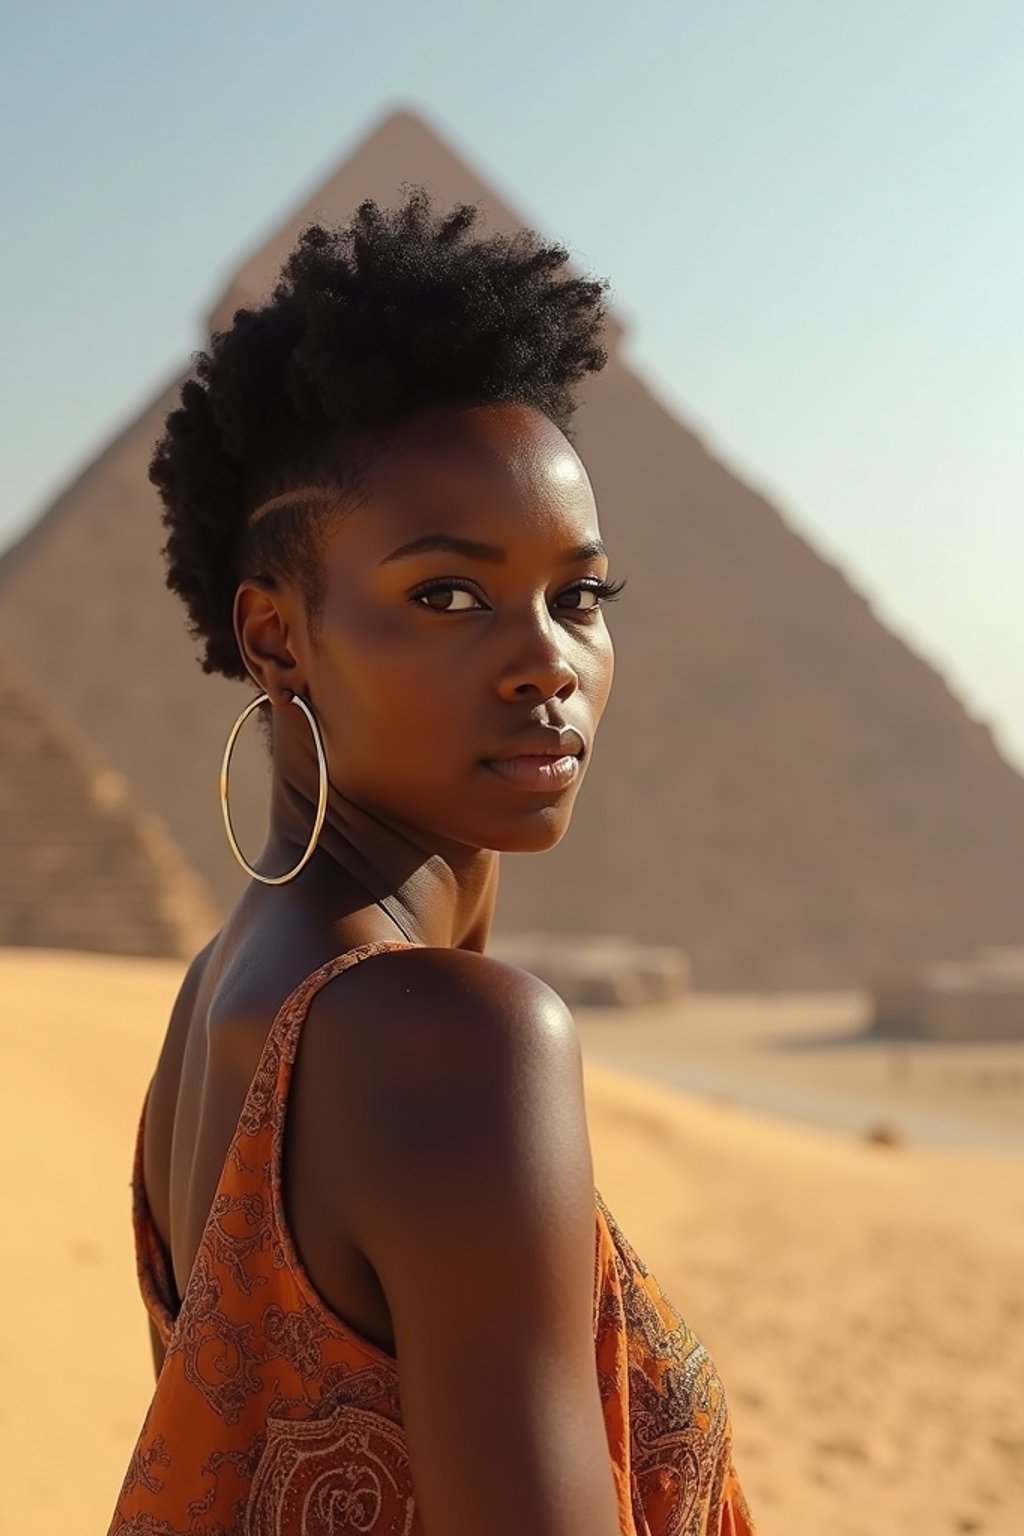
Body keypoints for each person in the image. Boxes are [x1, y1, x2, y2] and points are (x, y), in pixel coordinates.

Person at [108, 190, 755, 1536]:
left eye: (579, 597)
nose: (547, 662)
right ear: (276, 639)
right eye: (446, 595)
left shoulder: (224, 999)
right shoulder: (451, 1038)